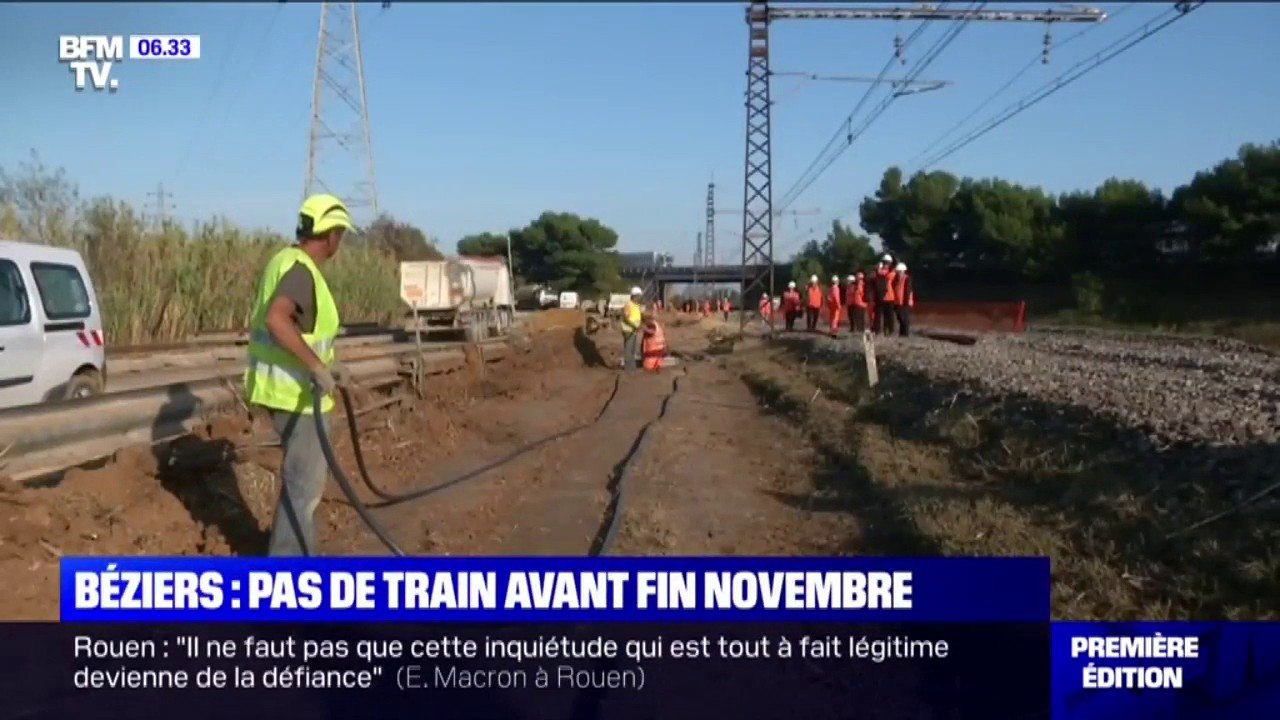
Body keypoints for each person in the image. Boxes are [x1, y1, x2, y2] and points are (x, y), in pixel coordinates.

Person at [244, 193, 355, 556]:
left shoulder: (284, 259)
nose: (340, 241)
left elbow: (299, 330)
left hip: (286, 393)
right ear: (330, 235)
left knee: (302, 487)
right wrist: (317, 367)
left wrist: (326, 362)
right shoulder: (301, 270)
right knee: (303, 489)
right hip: (299, 398)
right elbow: (277, 319)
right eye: (340, 234)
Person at [620, 287, 644, 371]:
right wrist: (635, 326)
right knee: (628, 350)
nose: (640, 298)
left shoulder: (636, 305)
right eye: (639, 296)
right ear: (635, 296)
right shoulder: (628, 305)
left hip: (634, 331)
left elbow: (638, 317)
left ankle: (632, 369)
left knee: (633, 351)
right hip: (628, 331)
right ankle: (628, 369)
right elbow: (626, 318)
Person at [893, 262, 914, 336]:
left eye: (899, 272)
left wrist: (906, 301)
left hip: (905, 302)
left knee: (905, 318)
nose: (898, 273)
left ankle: (905, 333)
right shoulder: (896, 279)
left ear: (903, 271)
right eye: (897, 272)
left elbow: (907, 291)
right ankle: (902, 333)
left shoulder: (907, 279)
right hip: (898, 302)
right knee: (900, 318)